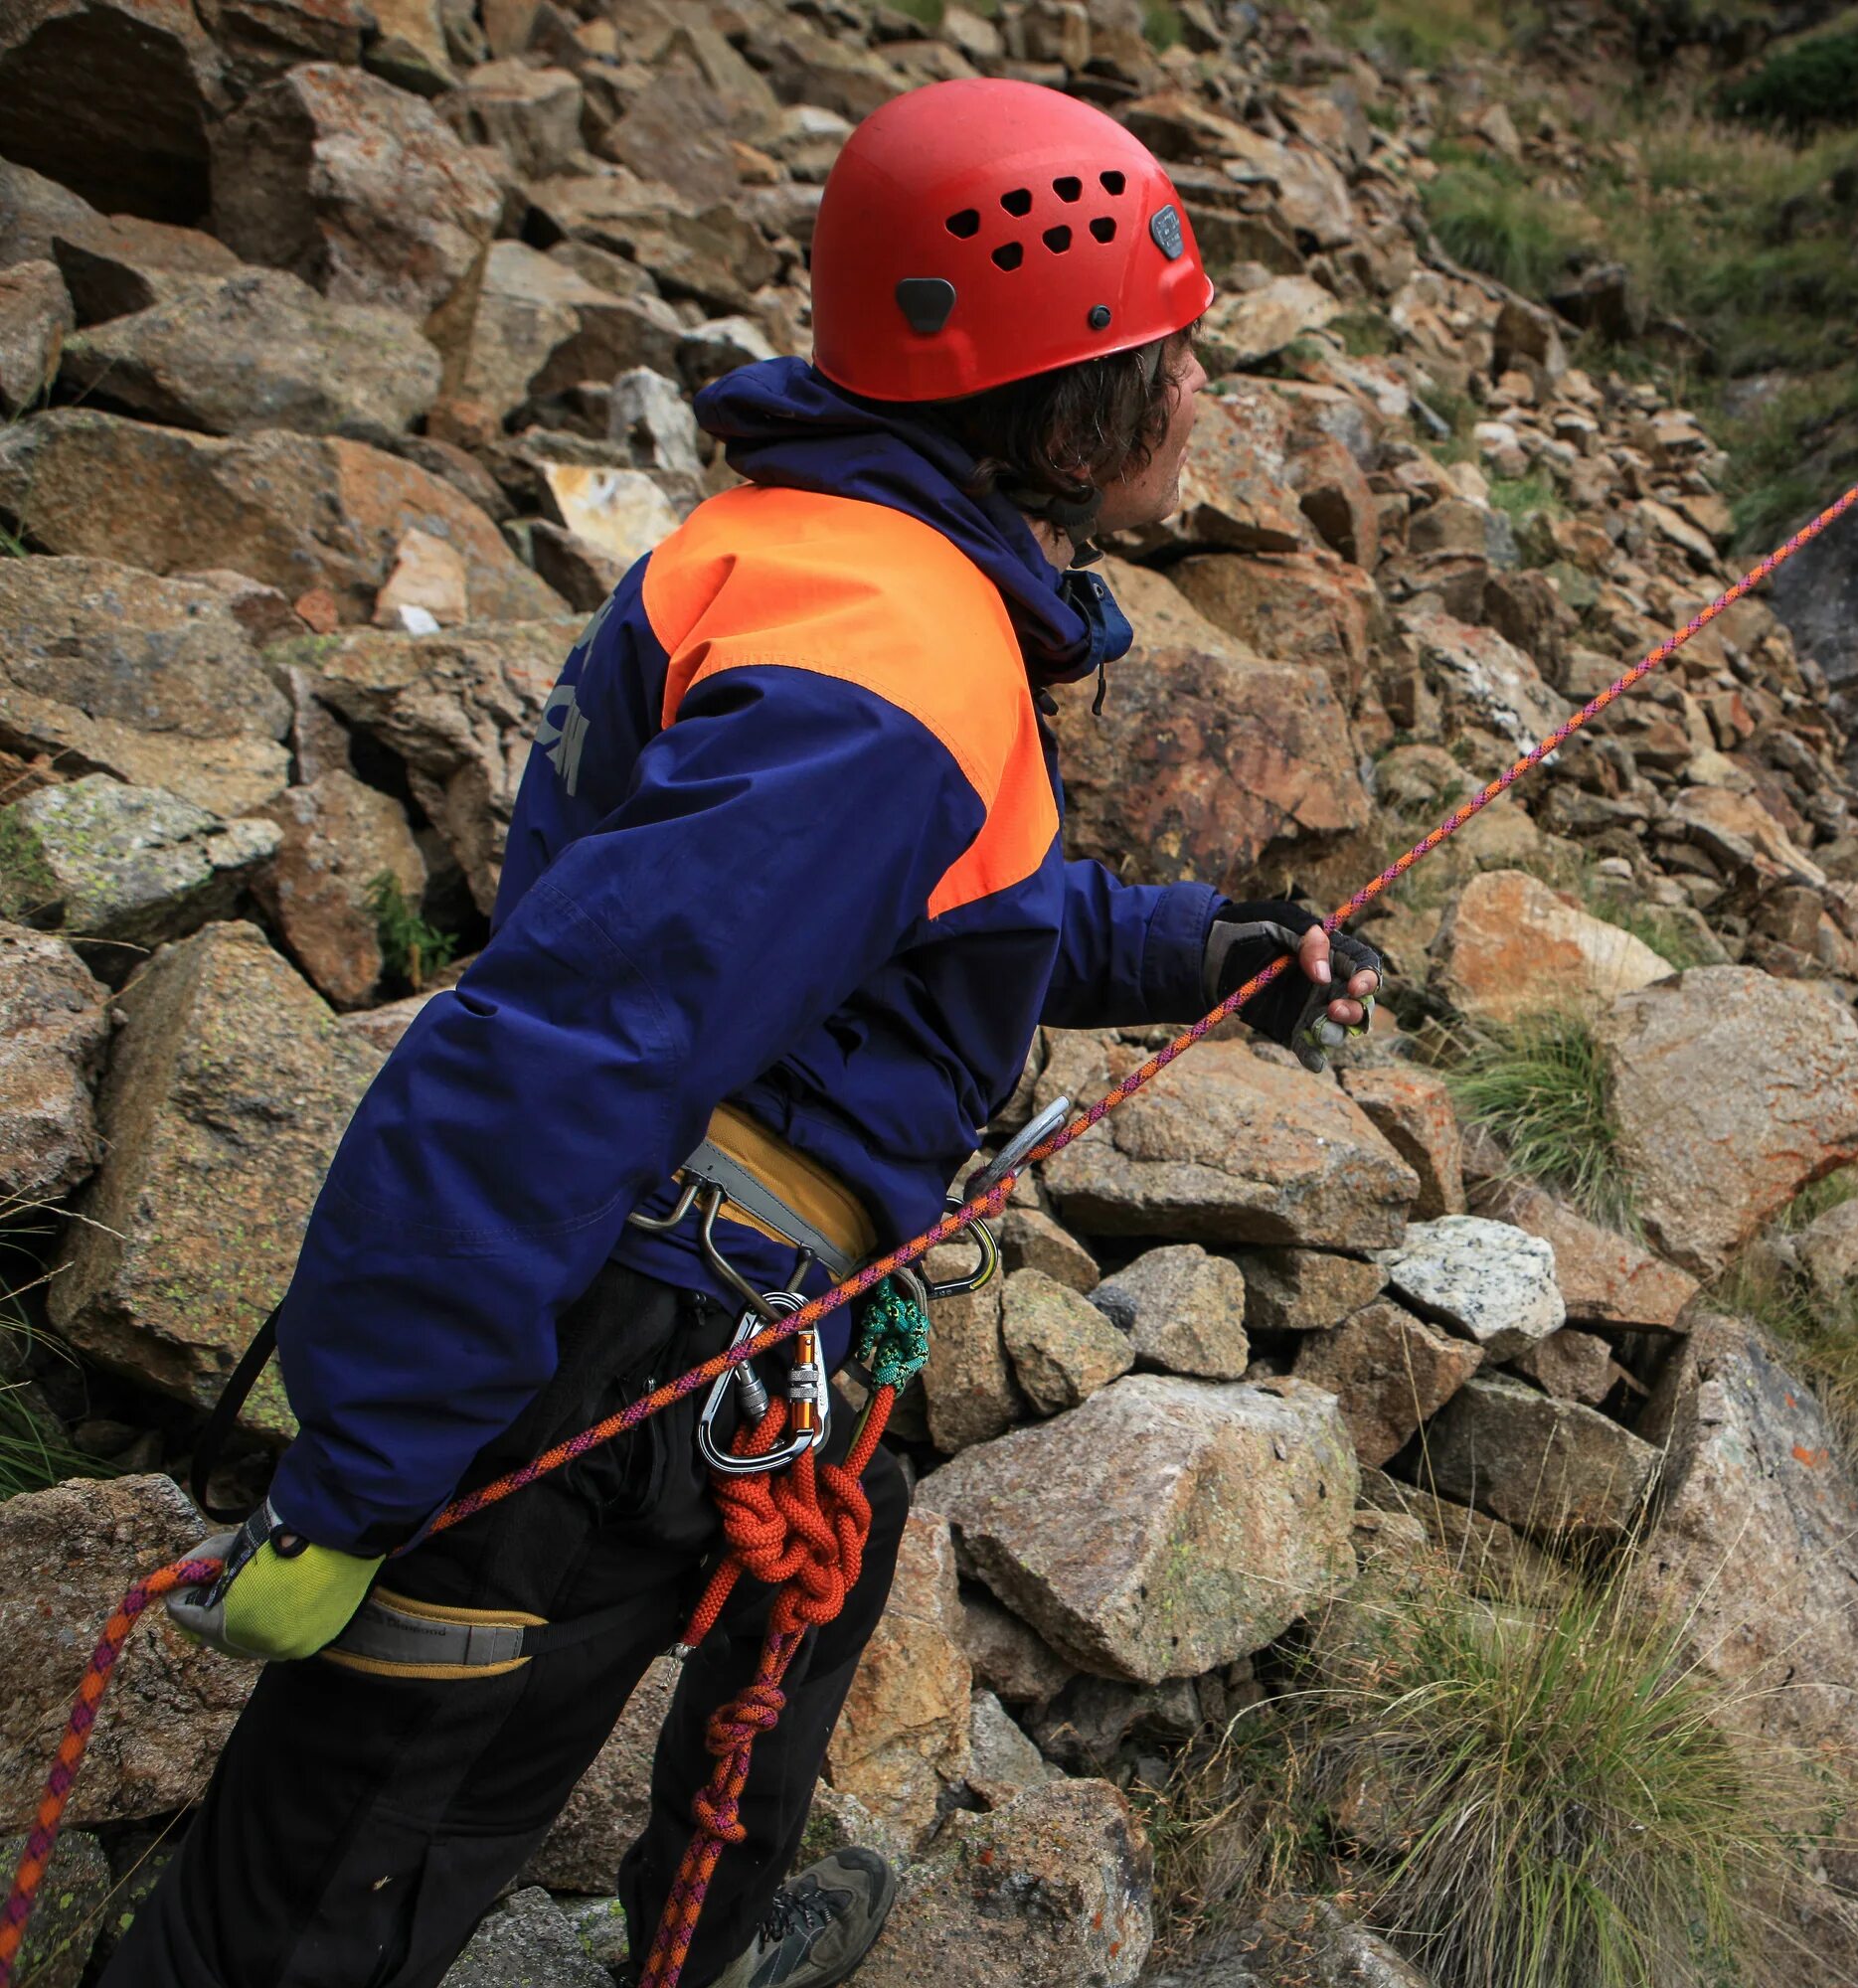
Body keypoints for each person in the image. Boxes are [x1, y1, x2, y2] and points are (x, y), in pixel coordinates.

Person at [110, 80, 1378, 1988]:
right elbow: (555, 1054)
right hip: (625, 1335)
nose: (1198, 392)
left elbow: (917, 910)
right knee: (343, 1874)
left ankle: (706, 1929)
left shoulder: (844, 562)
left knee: (730, 1659)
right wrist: (363, 1474)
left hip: (680, 1295)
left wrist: (1203, 945)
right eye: (1171, 353)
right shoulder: (886, 677)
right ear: (1071, 388)